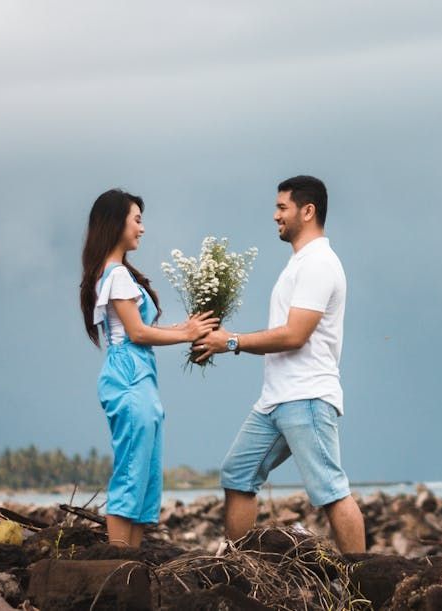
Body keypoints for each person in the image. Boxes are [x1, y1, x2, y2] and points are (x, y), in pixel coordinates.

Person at [194, 175, 366, 553]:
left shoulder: (320, 263)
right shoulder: (299, 263)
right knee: (237, 474)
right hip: (275, 400)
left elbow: (294, 335)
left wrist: (232, 341)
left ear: (308, 211)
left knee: (331, 491)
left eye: (282, 207)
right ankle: (239, 568)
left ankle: (362, 587)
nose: (275, 216)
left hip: (306, 397)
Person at [79, 188, 218, 547]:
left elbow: (138, 331)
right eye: (137, 220)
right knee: (131, 474)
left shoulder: (115, 274)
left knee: (145, 477)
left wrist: (188, 330)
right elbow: (138, 332)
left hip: (138, 377)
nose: (142, 229)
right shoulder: (117, 276)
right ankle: (118, 563)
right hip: (128, 377)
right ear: (116, 224)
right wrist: (186, 332)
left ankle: (132, 564)